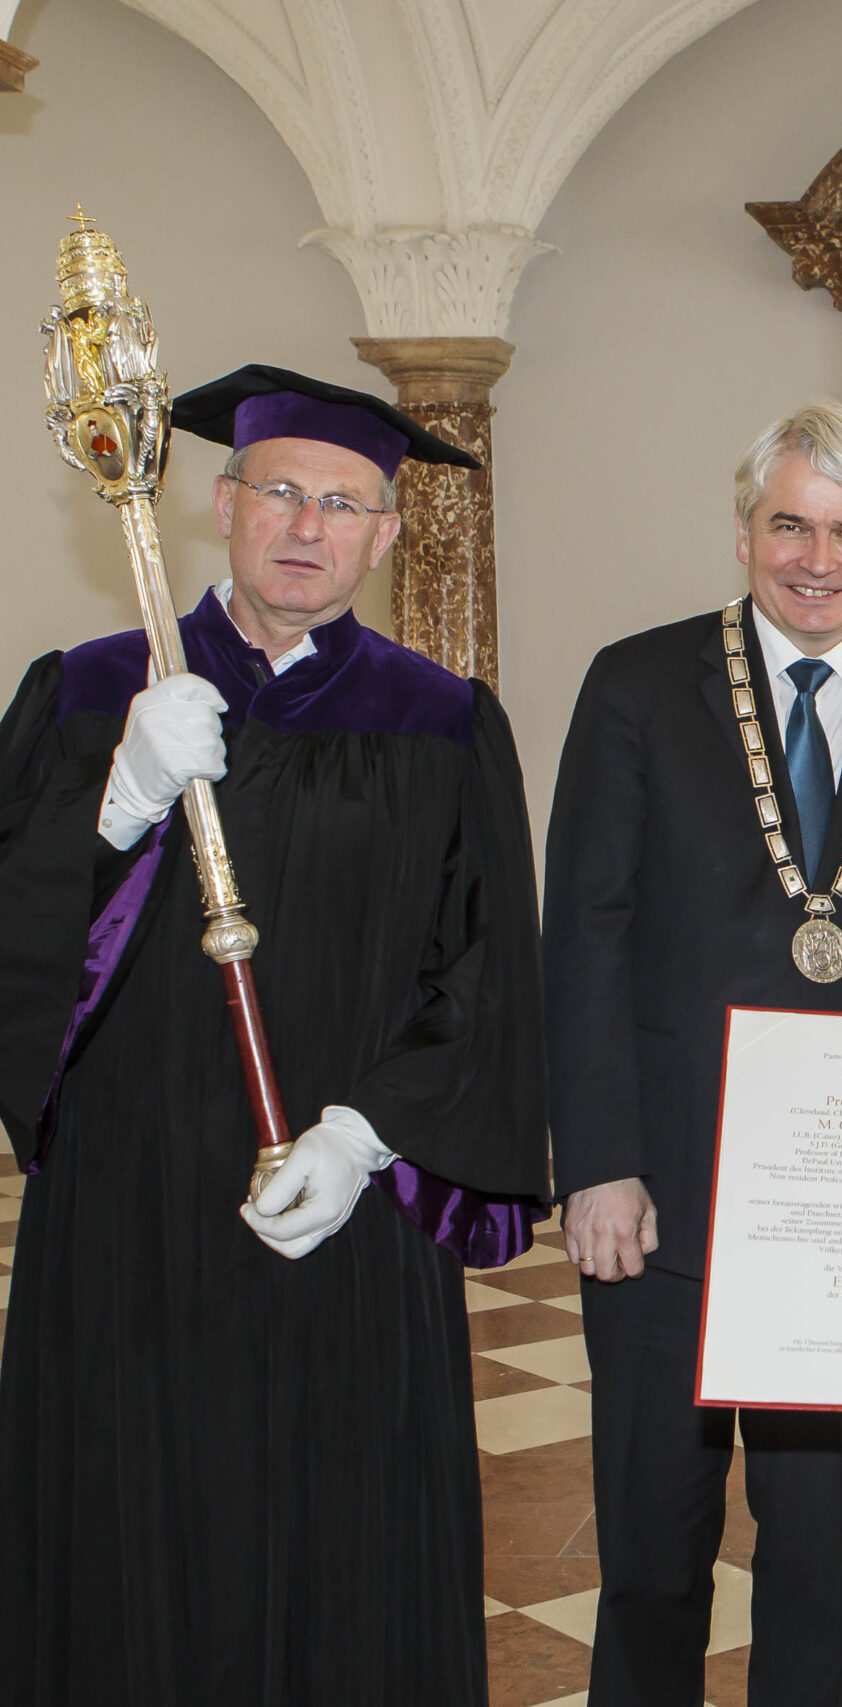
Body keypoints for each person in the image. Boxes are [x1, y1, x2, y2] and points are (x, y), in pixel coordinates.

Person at [0, 365, 550, 1704]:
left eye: (345, 502)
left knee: (340, 1534)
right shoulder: (86, 694)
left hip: (343, 1217)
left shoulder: (443, 721)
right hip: (129, 1212)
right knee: (133, 1528)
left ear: (385, 533)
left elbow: (487, 976)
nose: (308, 525)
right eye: (281, 493)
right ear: (220, 503)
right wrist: (118, 806)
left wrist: (370, 1136)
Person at [545, 401, 842, 1707]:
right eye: (790, 522)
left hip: (840, 1207)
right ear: (743, 531)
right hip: (661, 1195)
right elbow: (584, 929)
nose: (818, 554)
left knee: (813, 1551)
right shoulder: (637, 684)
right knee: (649, 1547)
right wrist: (600, 1163)